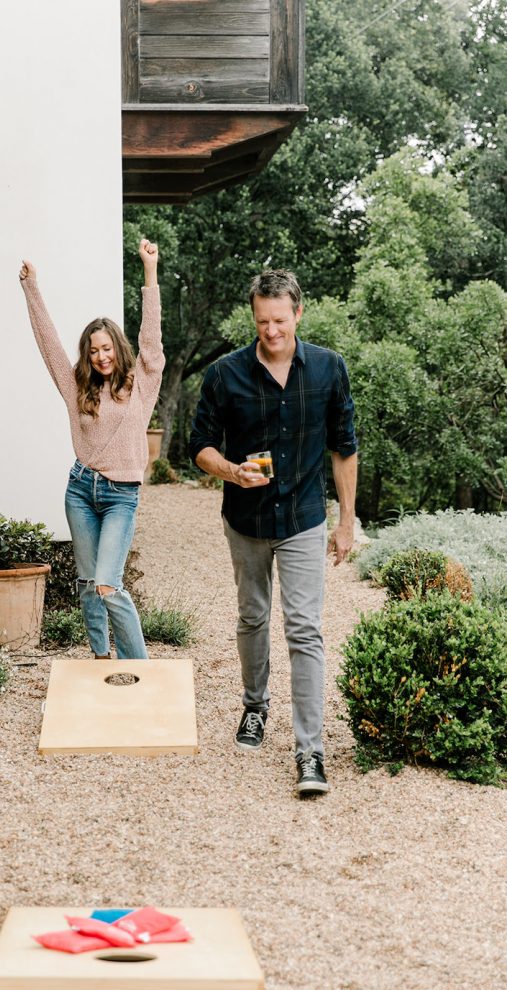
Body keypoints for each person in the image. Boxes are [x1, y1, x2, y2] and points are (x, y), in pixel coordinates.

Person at [189, 268, 357, 796]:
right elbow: (198, 446)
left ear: (298, 314)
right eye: (263, 321)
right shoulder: (224, 374)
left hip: (305, 518)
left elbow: (344, 447)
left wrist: (346, 520)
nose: (272, 331)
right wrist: (230, 470)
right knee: (252, 615)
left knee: (305, 629)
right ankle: (255, 707)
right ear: (254, 316)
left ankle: (311, 752)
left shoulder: (329, 369)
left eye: (280, 320)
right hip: (246, 520)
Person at [19, 239, 162, 660]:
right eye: (93, 350)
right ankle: (100, 659)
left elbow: (151, 342)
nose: (101, 356)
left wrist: (149, 271)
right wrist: (32, 288)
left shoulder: (140, 385)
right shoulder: (77, 387)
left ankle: (142, 673)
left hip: (121, 497)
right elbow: (49, 346)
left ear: (118, 349)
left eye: (107, 348)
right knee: (86, 585)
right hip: (81, 490)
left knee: (108, 584)